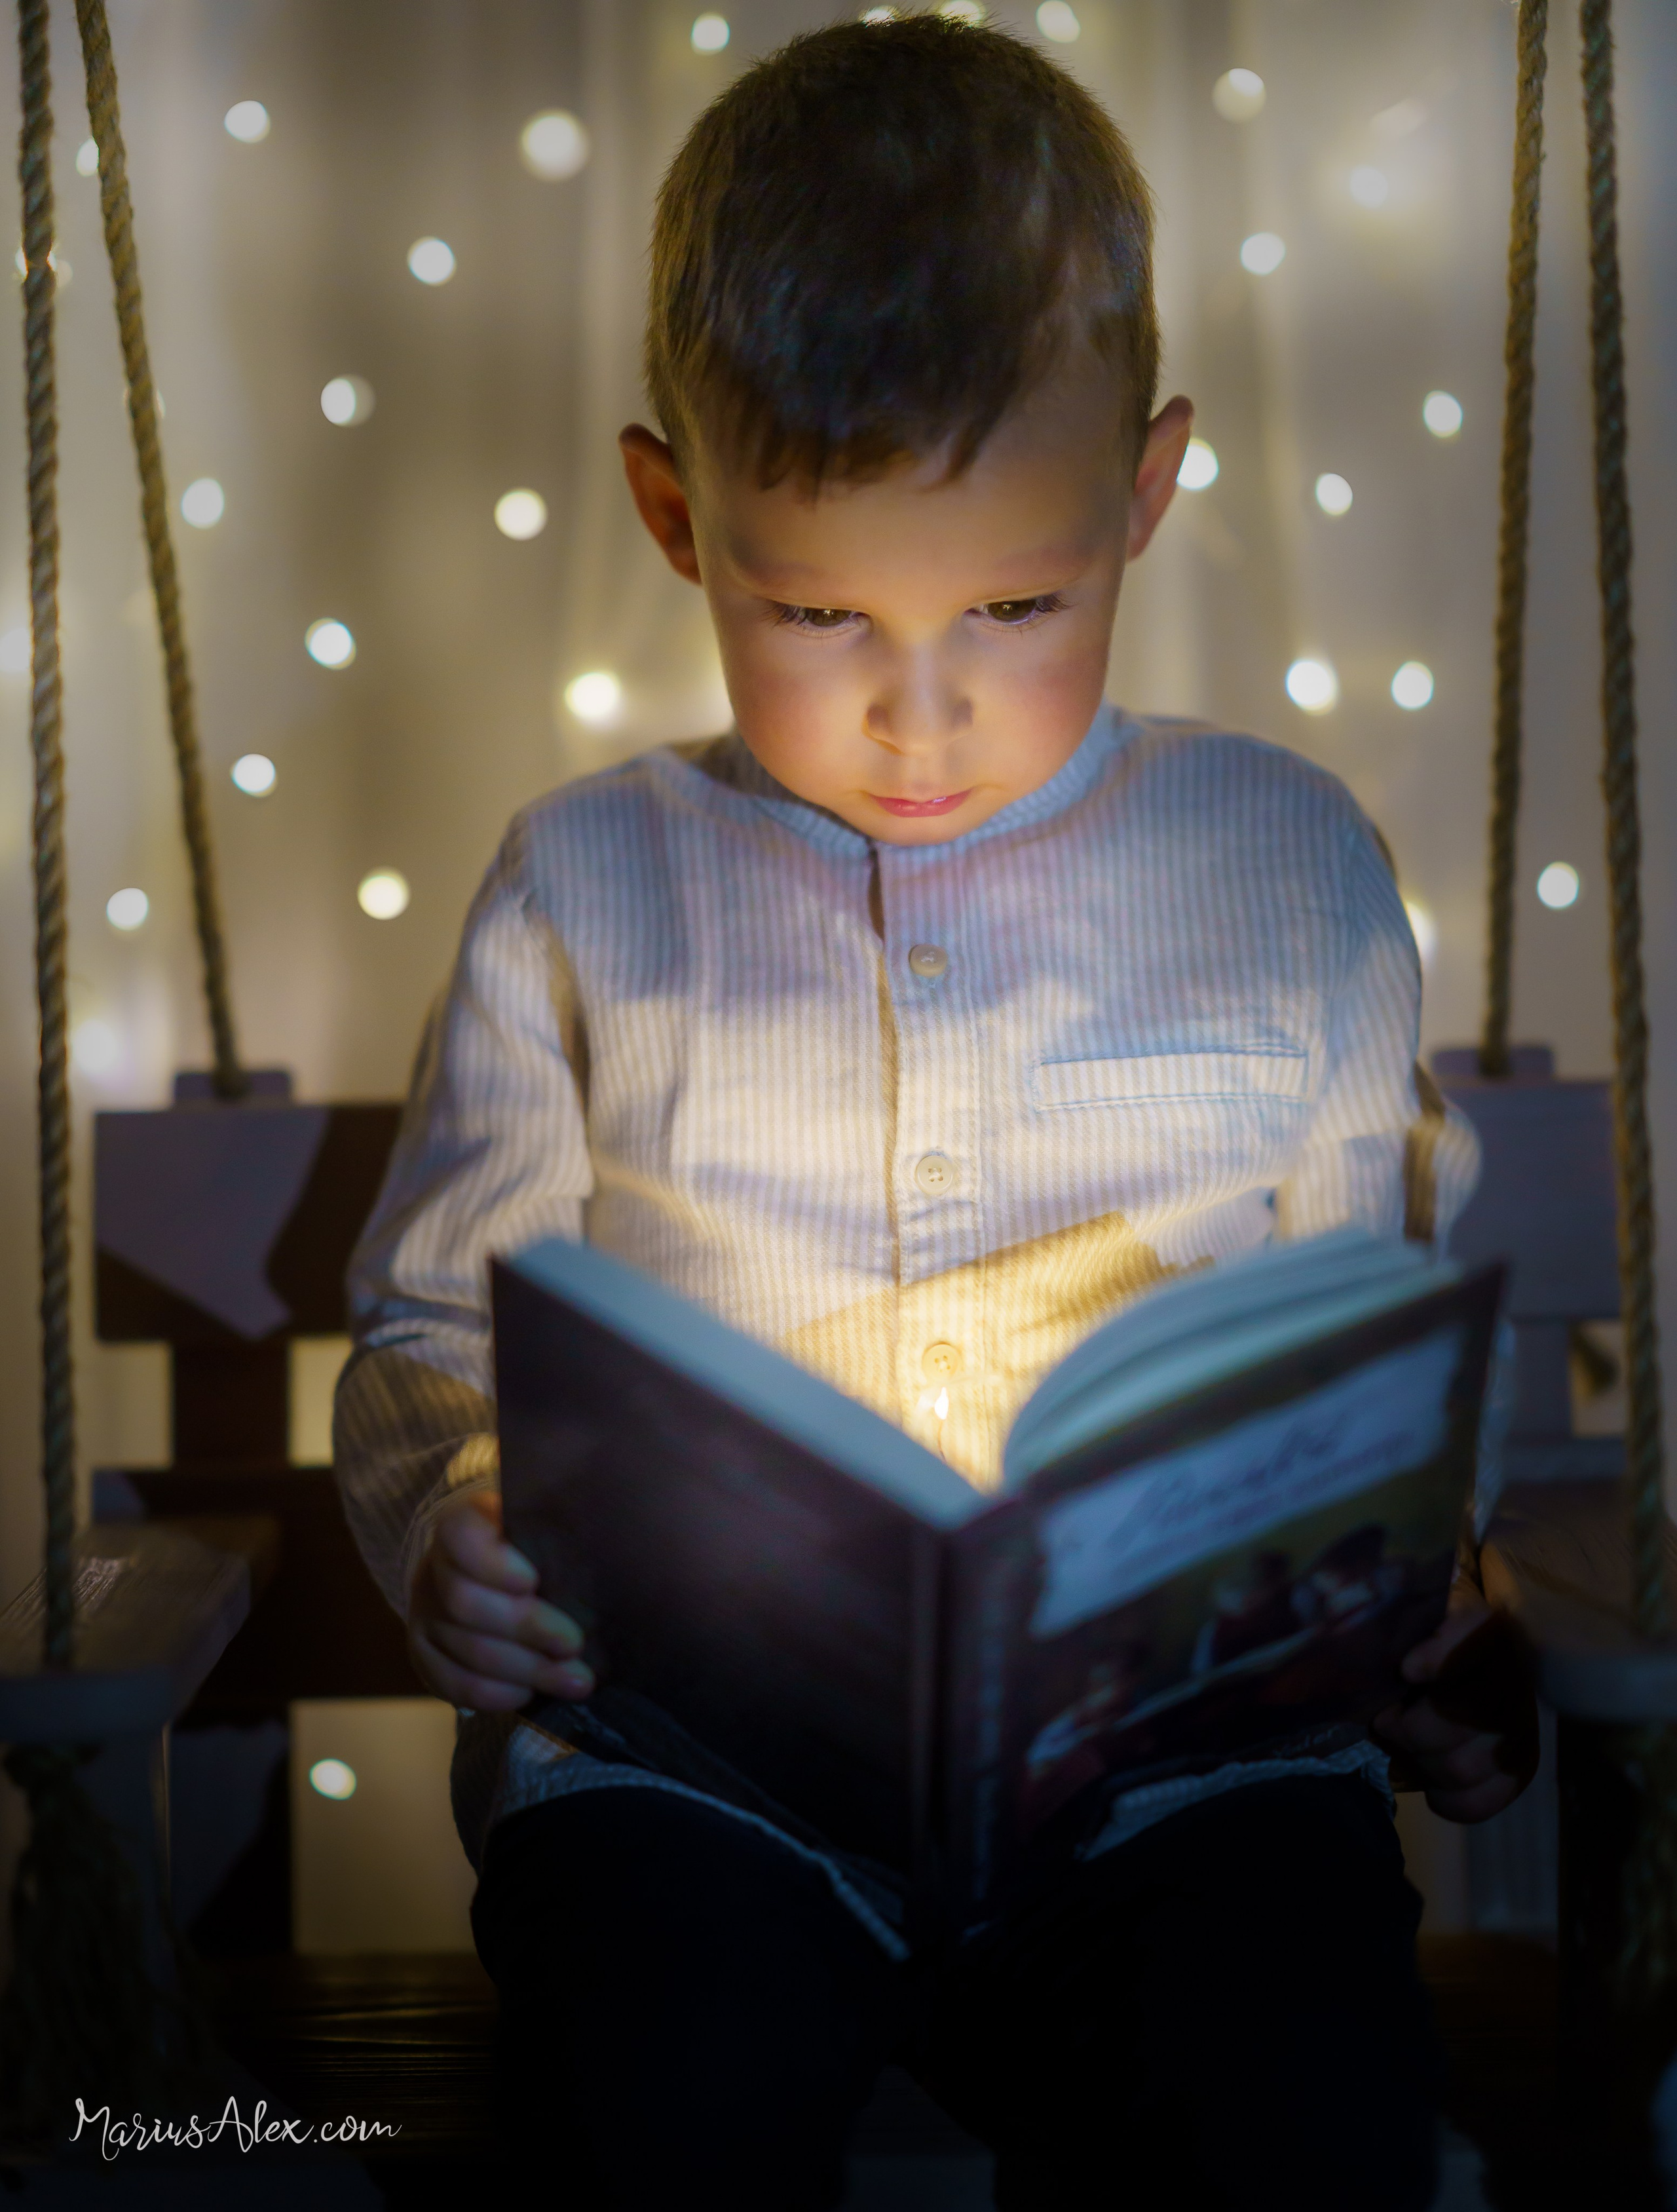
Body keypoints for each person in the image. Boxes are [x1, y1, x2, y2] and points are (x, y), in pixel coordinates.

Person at [334, 18, 1536, 2208]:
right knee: (647, 2100)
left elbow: (1378, 1368)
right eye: (812, 613)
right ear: (672, 514)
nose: (920, 711)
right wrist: (455, 1528)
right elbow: (431, 1334)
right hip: (699, 1779)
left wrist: (1436, 1638)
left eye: (1015, 603)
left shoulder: (1293, 868)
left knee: (1307, 2111)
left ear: (1150, 494)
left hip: (1186, 1786)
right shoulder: (583, 884)